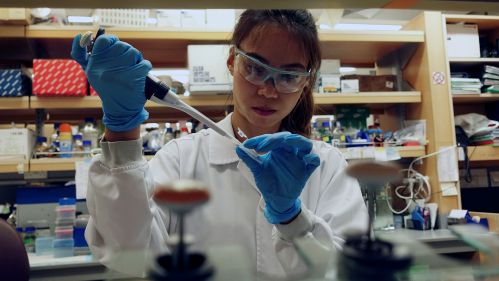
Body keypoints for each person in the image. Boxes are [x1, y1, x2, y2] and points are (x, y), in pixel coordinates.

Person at [71, 9, 368, 279]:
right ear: (232, 62)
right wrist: (122, 131)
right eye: (255, 67)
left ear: (306, 81)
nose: (267, 90)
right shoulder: (181, 159)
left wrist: (292, 217)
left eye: (288, 76)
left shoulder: (326, 166)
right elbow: (130, 256)